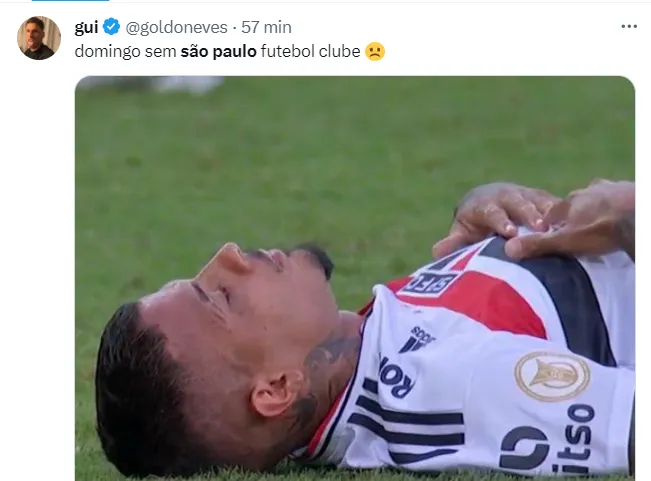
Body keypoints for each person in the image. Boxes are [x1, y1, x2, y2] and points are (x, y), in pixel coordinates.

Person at [94, 179, 635, 478]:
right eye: (221, 295)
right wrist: (632, 215)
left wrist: (486, 213)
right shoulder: (451, 383)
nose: (229, 253)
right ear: (278, 387)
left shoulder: (354, 363)